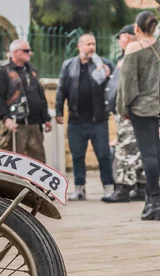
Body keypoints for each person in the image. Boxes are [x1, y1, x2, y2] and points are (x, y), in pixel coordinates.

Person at [56, 34, 115, 201]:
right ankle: (79, 189)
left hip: (99, 119)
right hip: (76, 119)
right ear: (79, 46)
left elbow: (112, 88)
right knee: (77, 156)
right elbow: (61, 89)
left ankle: (109, 188)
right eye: (88, 44)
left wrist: (106, 74)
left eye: (94, 44)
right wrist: (59, 111)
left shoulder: (104, 64)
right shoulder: (68, 65)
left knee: (104, 155)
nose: (92, 47)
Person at [118, 11, 160, 220]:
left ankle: (154, 203)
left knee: (149, 156)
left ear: (136, 28)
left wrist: (123, 108)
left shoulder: (133, 48)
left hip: (142, 109)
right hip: (158, 106)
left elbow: (127, 85)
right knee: (157, 154)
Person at [103, 24, 147, 203]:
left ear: (128, 36)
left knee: (126, 149)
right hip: (127, 111)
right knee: (137, 149)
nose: (119, 40)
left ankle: (123, 188)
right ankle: (141, 187)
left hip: (130, 111)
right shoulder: (126, 56)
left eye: (120, 36)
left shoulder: (135, 54)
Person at [0, 39, 52, 163]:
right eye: (26, 51)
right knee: (13, 164)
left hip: (35, 125)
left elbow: (41, 95)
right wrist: (5, 118)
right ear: (16, 52)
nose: (30, 53)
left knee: (38, 163)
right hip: (15, 125)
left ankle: (34, 184)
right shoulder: (3, 72)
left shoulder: (32, 71)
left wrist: (46, 118)